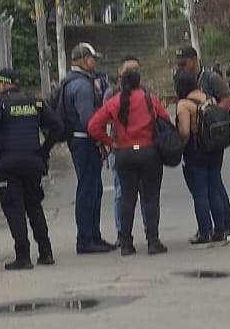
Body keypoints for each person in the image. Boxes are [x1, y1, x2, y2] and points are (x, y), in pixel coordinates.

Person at [0, 68, 65, 270]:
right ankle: (46, 252)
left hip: (8, 163)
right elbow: (57, 126)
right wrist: (43, 150)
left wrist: (0, 145)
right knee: (34, 206)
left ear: (3, 84)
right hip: (33, 161)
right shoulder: (35, 102)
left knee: (14, 209)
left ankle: (23, 256)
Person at [88, 68, 170, 256]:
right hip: (149, 152)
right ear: (139, 81)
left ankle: (126, 242)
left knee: (127, 198)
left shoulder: (114, 102)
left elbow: (93, 126)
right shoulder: (149, 99)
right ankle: (153, 240)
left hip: (124, 153)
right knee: (150, 198)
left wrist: (111, 142)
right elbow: (165, 119)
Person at [59, 42, 116, 254]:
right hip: (85, 140)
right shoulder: (82, 86)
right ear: (84, 59)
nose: (95, 62)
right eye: (93, 58)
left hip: (80, 139)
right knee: (88, 189)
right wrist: (101, 142)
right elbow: (88, 120)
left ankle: (93, 235)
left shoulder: (73, 81)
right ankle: (86, 238)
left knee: (94, 188)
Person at [176, 46, 230, 240]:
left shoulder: (211, 79)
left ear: (195, 59)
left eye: (184, 64)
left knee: (205, 190)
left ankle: (215, 228)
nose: (182, 68)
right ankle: (219, 228)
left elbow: (228, 103)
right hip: (211, 147)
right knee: (213, 186)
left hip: (204, 143)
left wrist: (206, 115)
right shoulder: (204, 94)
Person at [105, 57, 147, 238]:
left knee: (147, 193)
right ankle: (122, 233)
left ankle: (150, 231)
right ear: (120, 72)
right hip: (120, 150)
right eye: (129, 69)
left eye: (136, 69)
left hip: (145, 150)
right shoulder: (111, 94)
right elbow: (100, 122)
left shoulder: (147, 93)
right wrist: (108, 143)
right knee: (122, 193)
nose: (133, 73)